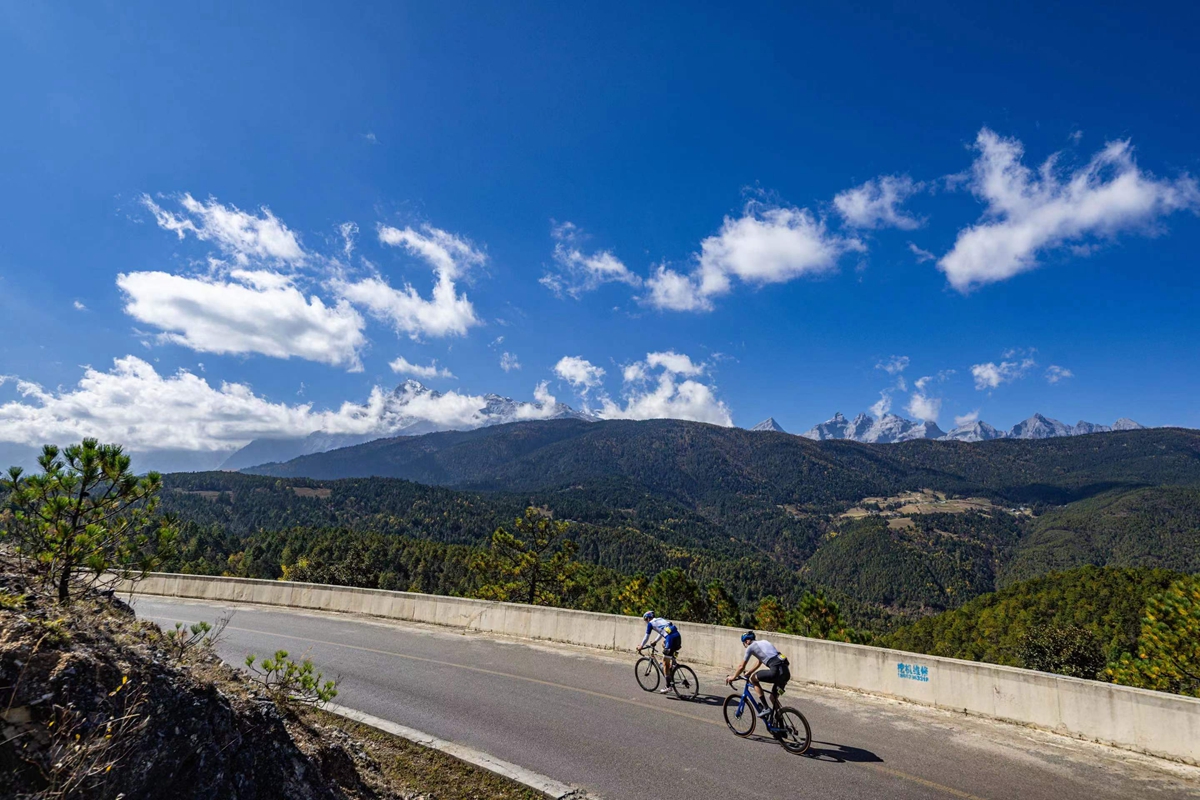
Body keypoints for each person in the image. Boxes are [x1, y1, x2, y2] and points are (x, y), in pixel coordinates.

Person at [726, 630, 790, 717]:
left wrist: (733, 677)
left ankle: (766, 708)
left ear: (747, 641)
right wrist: (749, 672)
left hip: (775, 672)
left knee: (753, 679)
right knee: (773, 698)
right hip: (786, 673)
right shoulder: (764, 642)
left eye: (744, 643)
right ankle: (782, 723)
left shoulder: (751, 647)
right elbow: (759, 662)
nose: (745, 645)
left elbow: (741, 666)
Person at [637, 611, 681, 694]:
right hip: (677, 636)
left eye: (646, 620)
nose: (646, 622)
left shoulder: (650, 624)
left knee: (665, 663)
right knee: (664, 645)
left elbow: (646, 636)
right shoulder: (660, 619)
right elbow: (662, 632)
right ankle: (673, 665)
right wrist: (655, 641)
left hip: (670, 638)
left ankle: (668, 686)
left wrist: (641, 646)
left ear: (648, 618)